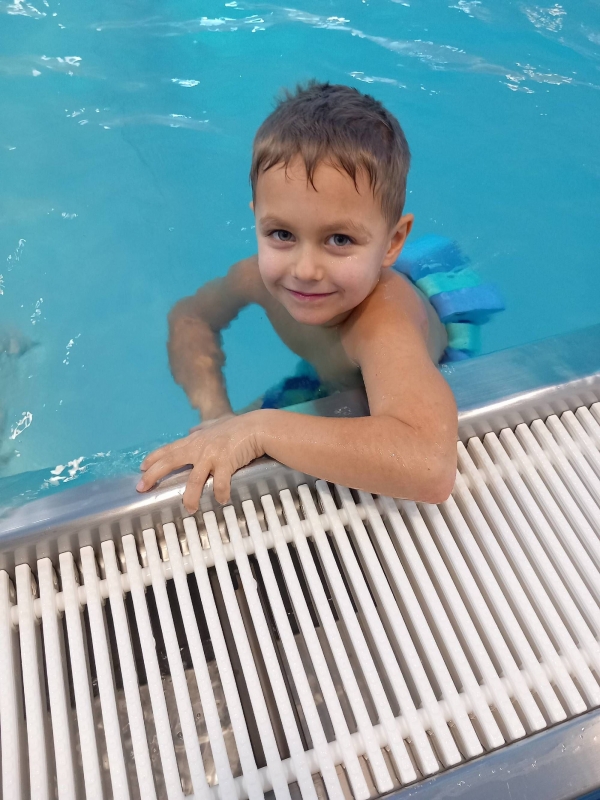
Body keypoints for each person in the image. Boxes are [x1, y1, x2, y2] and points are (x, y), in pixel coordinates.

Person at [136, 81, 458, 511]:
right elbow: (189, 317)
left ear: (393, 243)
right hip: (332, 378)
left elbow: (430, 464)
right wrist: (217, 415)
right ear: (257, 221)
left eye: (339, 239)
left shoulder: (383, 323)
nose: (305, 270)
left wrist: (258, 430)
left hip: (414, 377)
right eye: (282, 234)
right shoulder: (253, 278)